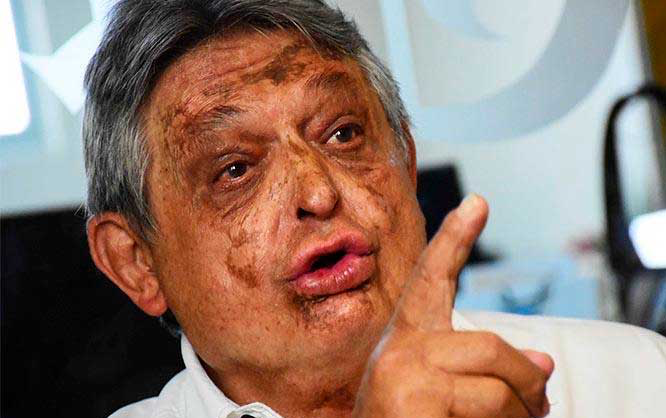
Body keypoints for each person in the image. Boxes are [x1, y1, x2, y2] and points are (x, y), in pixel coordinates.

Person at [83, 1, 666, 417]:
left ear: (406, 164)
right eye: (235, 170)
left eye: (342, 134)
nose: (318, 193)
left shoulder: (636, 380)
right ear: (137, 263)